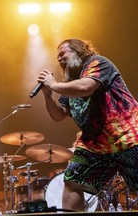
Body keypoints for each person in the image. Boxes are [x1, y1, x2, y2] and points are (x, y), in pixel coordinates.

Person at [36, 38, 138, 211]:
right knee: (72, 180)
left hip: (127, 137)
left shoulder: (98, 63)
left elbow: (85, 87)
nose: (59, 59)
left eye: (63, 54)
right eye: (57, 57)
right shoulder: (69, 85)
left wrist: (53, 84)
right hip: (96, 146)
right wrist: (48, 94)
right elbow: (59, 115)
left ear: (79, 51)